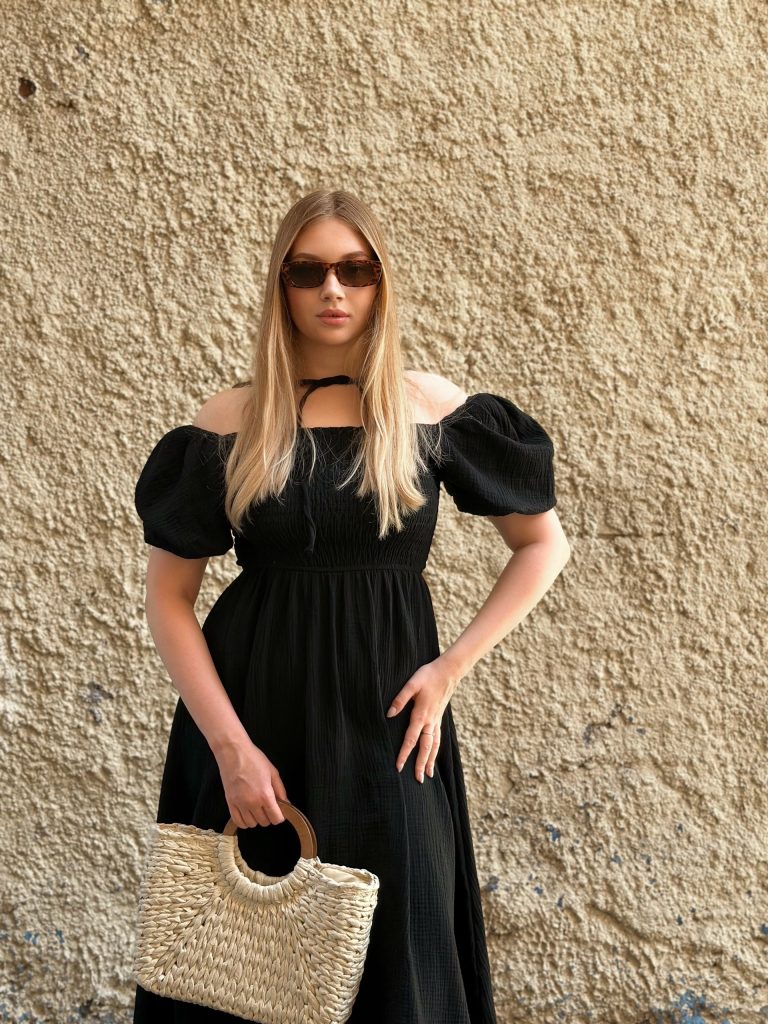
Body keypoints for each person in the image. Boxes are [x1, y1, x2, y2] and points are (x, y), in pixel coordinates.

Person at [131, 188, 570, 1024]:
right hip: (255, 719)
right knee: (250, 968)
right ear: (282, 285)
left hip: (390, 721)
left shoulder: (428, 410)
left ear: (379, 282)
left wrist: (449, 670)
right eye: (308, 272)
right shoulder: (231, 422)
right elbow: (169, 597)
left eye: (354, 270)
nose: (332, 290)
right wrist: (230, 749)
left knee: (405, 945)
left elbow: (542, 545)